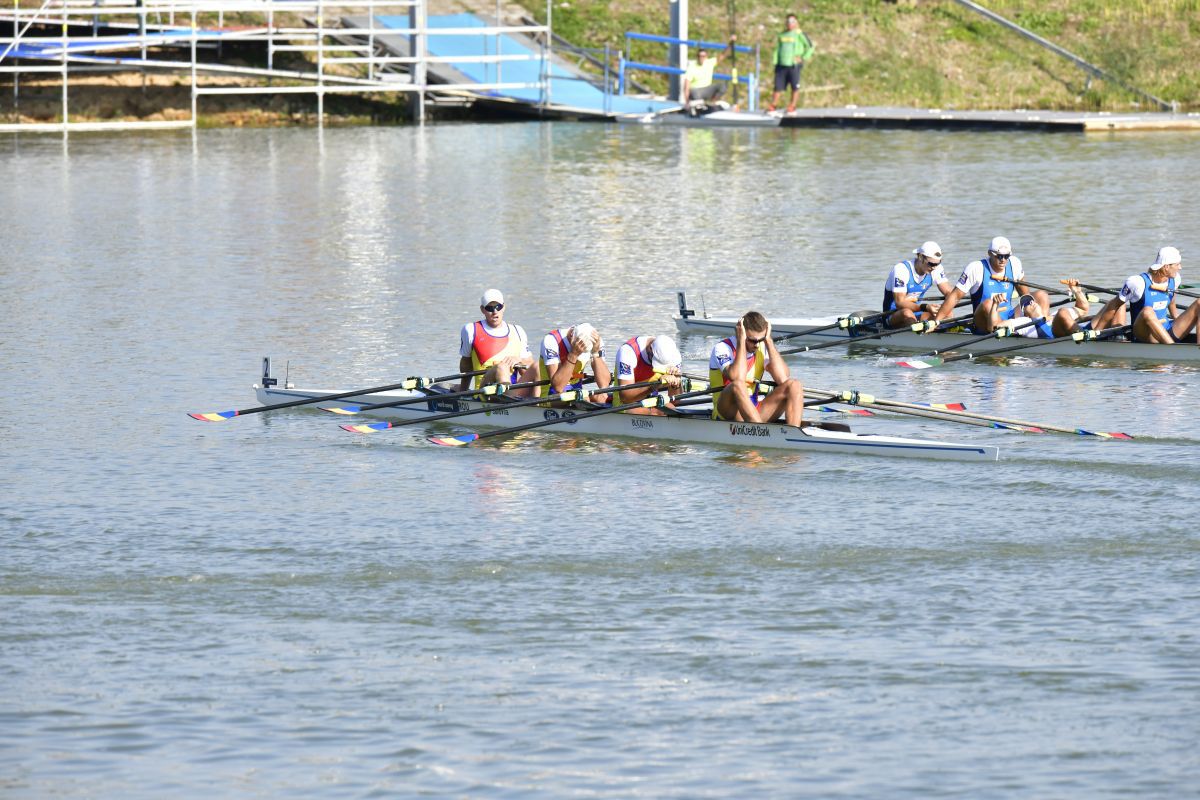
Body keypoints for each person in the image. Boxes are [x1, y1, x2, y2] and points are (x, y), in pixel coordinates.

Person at [931, 236, 1052, 335]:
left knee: (1042, 295)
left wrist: (1031, 311)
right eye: (999, 256)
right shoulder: (976, 268)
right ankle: (1007, 332)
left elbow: (1025, 296)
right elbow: (955, 297)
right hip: (983, 321)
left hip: (1008, 315)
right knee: (989, 303)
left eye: (1006, 256)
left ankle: (1042, 329)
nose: (1003, 260)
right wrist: (936, 322)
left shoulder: (1015, 263)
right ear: (990, 253)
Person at [710, 311, 805, 426]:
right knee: (738, 384)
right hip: (727, 410)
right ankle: (760, 431)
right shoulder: (722, 348)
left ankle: (793, 434)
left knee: (794, 384)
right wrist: (741, 341)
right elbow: (737, 377)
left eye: (760, 340)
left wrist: (768, 341)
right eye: (752, 340)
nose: (756, 345)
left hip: (754, 410)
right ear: (742, 333)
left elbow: (783, 378)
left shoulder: (761, 346)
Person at [1093, 246, 1198, 344]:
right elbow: (1114, 305)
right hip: (1145, 334)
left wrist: (1178, 320)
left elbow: (1172, 301)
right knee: (1147, 311)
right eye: (1177, 264)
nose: (1180, 267)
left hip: (1167, 328)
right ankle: (1172, 349)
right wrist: (1097, 332)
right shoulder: (1137, 282)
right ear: (1166, 267)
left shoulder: (1175, 279)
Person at [457, 289, 535, 394]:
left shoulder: (518, 331)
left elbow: (530, 370)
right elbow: (466, 364)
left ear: (504, 307)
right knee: (501, 367)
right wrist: (463, 391)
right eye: (490, 308)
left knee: (537, 366)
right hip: (485, 390)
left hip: (513, 390)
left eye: (498, 307)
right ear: (482, 310)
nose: (495, 312)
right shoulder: (471, 330)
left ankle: (537, 403)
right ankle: (511, 402)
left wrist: (519, 361)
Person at [882, 241, 954, 328]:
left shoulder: (936, 269)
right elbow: (900, 303)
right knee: (907, 313)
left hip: (917, 312)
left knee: (947, 313)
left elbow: (949, 293)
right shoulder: (901, 270)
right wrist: (925, 307)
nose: (934, 267)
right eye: (931, 264)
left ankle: (936, 331)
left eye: (937, 264)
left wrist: (947, 304)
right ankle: (920, 332)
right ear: (920, 257)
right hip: (894, 315)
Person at [537, 323, 612, 403]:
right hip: (552, 396)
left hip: (577, 393)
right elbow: (558, 387)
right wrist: (573, 354)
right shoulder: (551, 340)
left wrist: (595, 353)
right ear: (571, 336)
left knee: (602, 397)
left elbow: (604, 385)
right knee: (583, 399)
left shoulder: (595, 340)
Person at [613, 334, 685, 415]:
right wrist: (655, 383)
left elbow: (675, 401)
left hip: (651, 401)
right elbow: (625, 398)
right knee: (641, 412)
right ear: (650, 348)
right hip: (624, 405)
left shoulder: (674, 356)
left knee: (672, 409)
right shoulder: (628, 352)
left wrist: (676, 384)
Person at [767, 14, 814, 114]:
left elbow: (810, 46)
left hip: (794, 65)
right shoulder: (782, 35)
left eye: (792, 22)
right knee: (777, 87)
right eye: (788, 22)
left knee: (794, 86)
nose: (790, 24)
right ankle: (773, 105)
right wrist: (775, 61)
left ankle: (792, 105)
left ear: (796, 23)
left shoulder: (799, 34)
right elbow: (777, 49)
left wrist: (803, 57)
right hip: (781, 65)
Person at [1051, 279, 1125, 336]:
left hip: (1083, 330)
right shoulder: (1041, 318)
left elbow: (1083, 309)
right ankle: (1089, 336)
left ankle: (1119, 336)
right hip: (1057, 331)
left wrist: (1077, 292)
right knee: (1062, 312)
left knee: (1118, 302)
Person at [681, 38, 736, 112]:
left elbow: (723, 55)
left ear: (706, 57)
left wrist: (731, 43)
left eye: (703, 56)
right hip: (696, 91)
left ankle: (712, 103)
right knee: (694, 92)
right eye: (699, 56)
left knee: (723, 85)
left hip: (707, 90)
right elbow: (686, 86)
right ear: (697, 57)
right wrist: (686, 102)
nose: (701, 58)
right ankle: (697, 108)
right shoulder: (692, 67)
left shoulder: (709, 63)